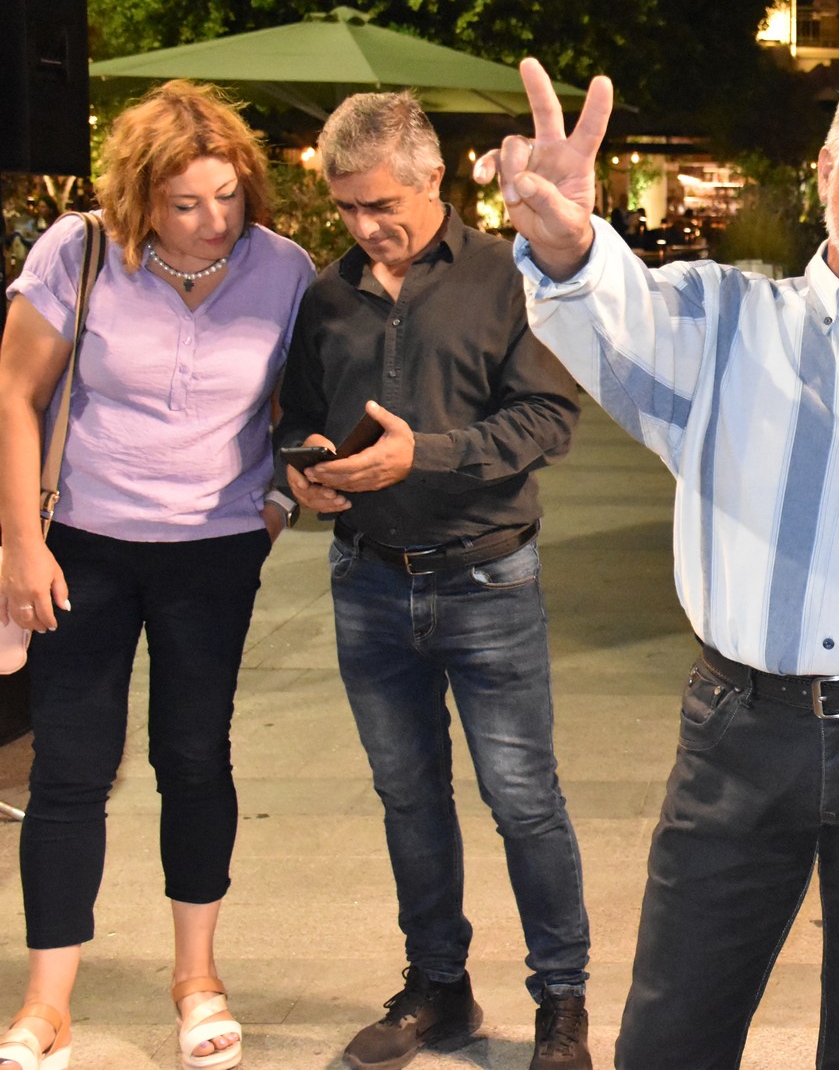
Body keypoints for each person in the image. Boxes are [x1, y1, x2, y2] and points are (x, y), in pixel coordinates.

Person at [488, 57, 839, 1070]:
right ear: (826, 168)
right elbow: (608, 308)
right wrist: (565, 242)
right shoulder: (721, 320)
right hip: (744, 732)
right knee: (672, 1035)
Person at [0, 81, 313, 1070]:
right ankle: (48, 1002)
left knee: (194, 756)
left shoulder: (284, 270)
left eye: (228, 195)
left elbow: (302, 405)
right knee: (70, 767)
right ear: (141, 196)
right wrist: (22, 543)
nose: (212, 219)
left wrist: (278, 503)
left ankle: (197, 979)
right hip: (82, 544)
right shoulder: (80, 250)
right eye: (185, 203)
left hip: (213, 553)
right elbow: (15, 392)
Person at [277, 93, 591, 1070]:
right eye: (346, 207)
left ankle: (562, 1000)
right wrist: (303, 467)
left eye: (381, 204)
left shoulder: (507, 273)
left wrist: (426, 454)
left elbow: (549, 418)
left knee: (523, 797)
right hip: (367, 581)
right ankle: (438, 988)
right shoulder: (326, 296)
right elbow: (296, 413)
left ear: (433, 179)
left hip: (487, 577)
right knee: (408, 795)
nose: (364, 225)